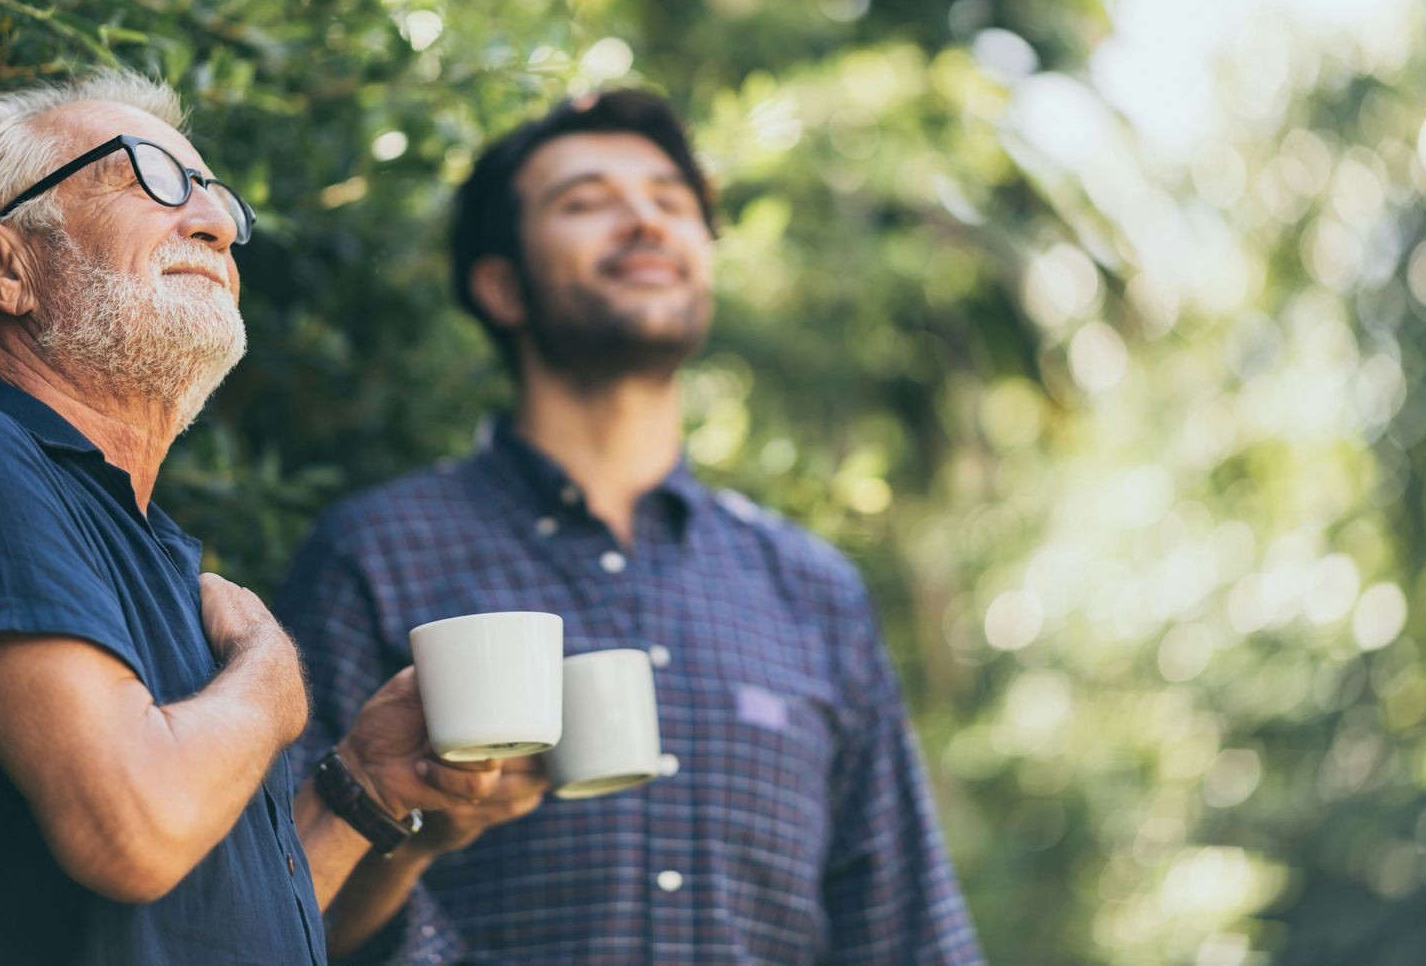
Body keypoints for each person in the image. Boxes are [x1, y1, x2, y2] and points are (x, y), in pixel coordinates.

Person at [0, 72, 502, 966]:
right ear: (3, 265)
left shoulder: (134, 537)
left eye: (216, 198)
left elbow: (210, 927)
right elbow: (132, 830)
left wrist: (364, 783)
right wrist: (273, 678)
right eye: (150, 178)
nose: (211, 221)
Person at [278, 89, 987, 964]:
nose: (647, 222)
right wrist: (412, 829)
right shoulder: (372, 554)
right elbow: (271, 912)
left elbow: (905, 930)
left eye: (670, 200)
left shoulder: (812, 588)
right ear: (502, 285)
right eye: (587, 202)